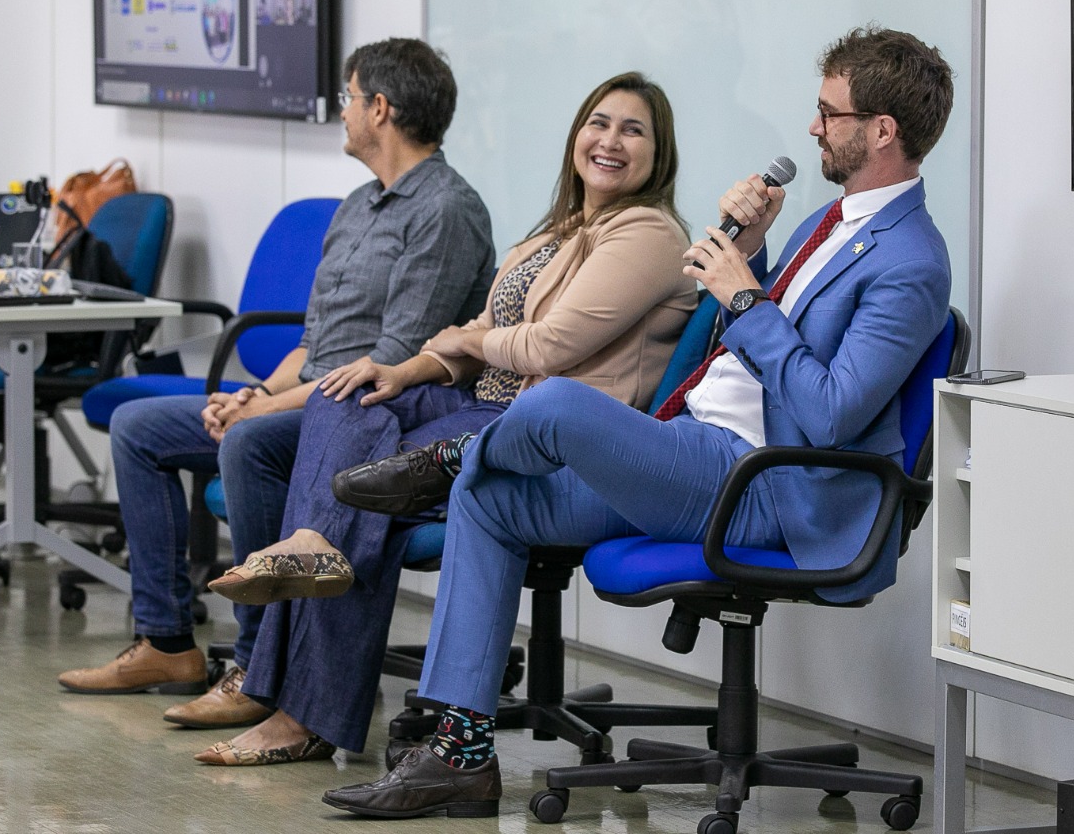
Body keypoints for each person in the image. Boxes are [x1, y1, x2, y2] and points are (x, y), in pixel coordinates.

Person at [319, 25, 954, 819]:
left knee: (548, 400)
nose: (814, 128)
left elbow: (829, 411)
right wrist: (753, 252)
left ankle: (450, 457)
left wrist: (743, 295)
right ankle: (461, 755)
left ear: (882, 131)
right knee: (492, 497)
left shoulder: (912, 262)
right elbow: (766, 340)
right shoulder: (830, 223)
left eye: (829, 113)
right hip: (694, 447)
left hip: (761, 482)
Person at [190, 71, 698, 765]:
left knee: (367, 496)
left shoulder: (647, 234)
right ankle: (314, 544)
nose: (610, 140)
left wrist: (458, 343)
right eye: (598, 123)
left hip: (540, 430)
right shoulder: (558, 230)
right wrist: (402, 370)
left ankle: (296, 710)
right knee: (344, 394)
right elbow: (485, 330)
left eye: (632, 130)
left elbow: (550, 347)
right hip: (475, 398)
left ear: (657, 154)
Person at [55, 39, 497, 737]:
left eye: (350, 98)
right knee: (142, 428)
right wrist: (251, 390)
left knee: (252, 443)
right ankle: (167, 643)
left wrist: (260, 409)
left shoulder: (445, 211)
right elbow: (314, 344)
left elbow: (386, 364)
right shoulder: (357, 204)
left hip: (374, 416)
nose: (343, 113)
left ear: (380, 109)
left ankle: (255, 668)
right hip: (309, 395)